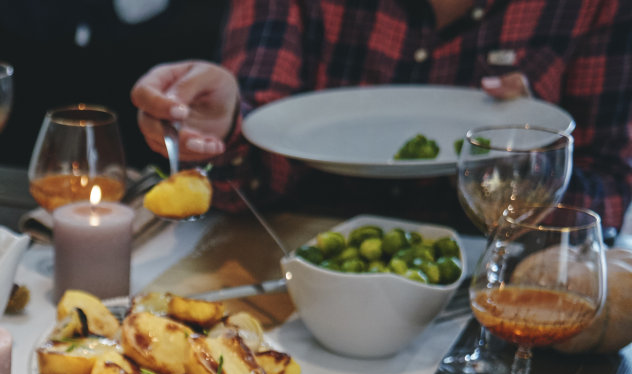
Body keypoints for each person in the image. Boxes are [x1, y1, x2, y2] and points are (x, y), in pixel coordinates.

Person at [129, 0, 632, 235]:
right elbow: (250, 178)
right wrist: (223, 129)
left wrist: (525, 168)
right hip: (293, 272)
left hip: (493, 299)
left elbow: (609, 197)